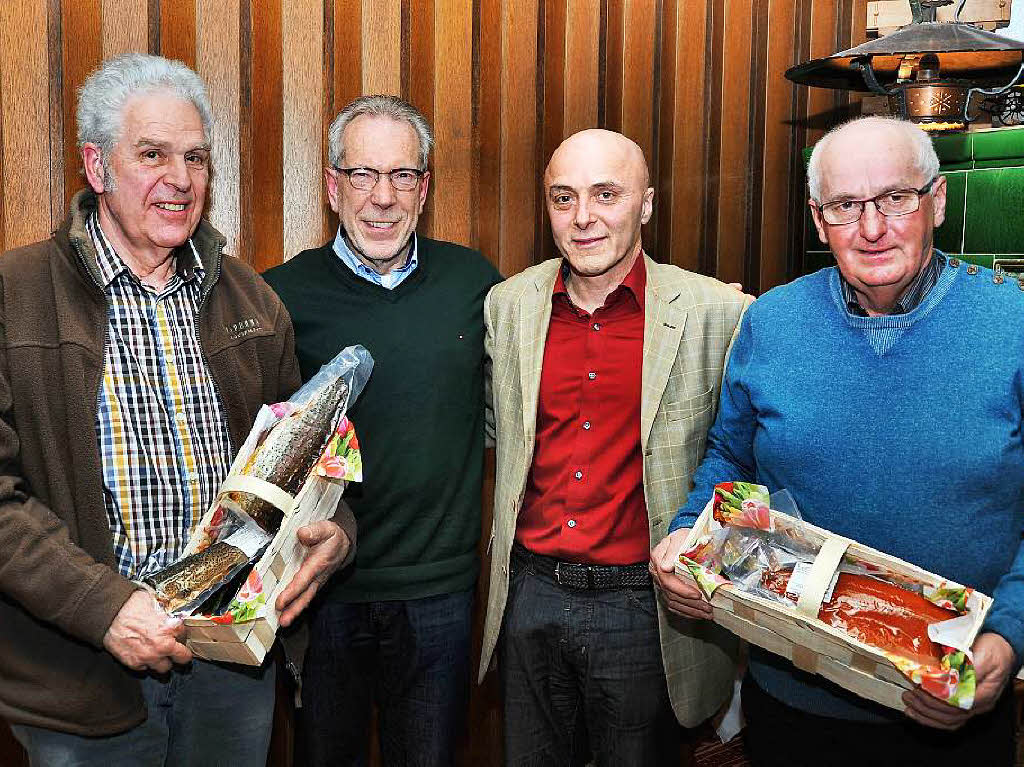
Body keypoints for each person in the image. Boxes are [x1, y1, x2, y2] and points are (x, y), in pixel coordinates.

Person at [0, 53, 354, 766]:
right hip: (83, 681)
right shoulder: (16, 293)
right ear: (97, 167)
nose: (181, 179)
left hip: (230, 665)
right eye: (153, 154)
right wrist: (106, 608)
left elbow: (305, 461)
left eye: (195, 157)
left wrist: (335, 530)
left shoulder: (253, 301)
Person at [652, 115, 1024, 766]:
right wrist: (690, 533)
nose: (872, 228)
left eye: (894, 198)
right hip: (795, 700)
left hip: (950, 706)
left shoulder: (1010, 323)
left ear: (937, 200)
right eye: (847, 205)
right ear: (819, 222)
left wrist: (1008, 637)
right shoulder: (772, 321)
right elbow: (731, 459)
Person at [478, 128, 750, 765]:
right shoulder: (509, 304)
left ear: (647, 204)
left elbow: (744, 453)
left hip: (645, 607)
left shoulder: (716, 311)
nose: (583, 218)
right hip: (532, 595)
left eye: (606, 195)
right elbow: (496, 432)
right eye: (563, 198)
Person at [263, 94, 502, 767]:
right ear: (333, 186)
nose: (383, 197)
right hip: (320, 594)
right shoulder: (280, 295)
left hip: (439, 593)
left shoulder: (474, 282)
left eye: (402, 175)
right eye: (363, 174)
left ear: (424, 189)